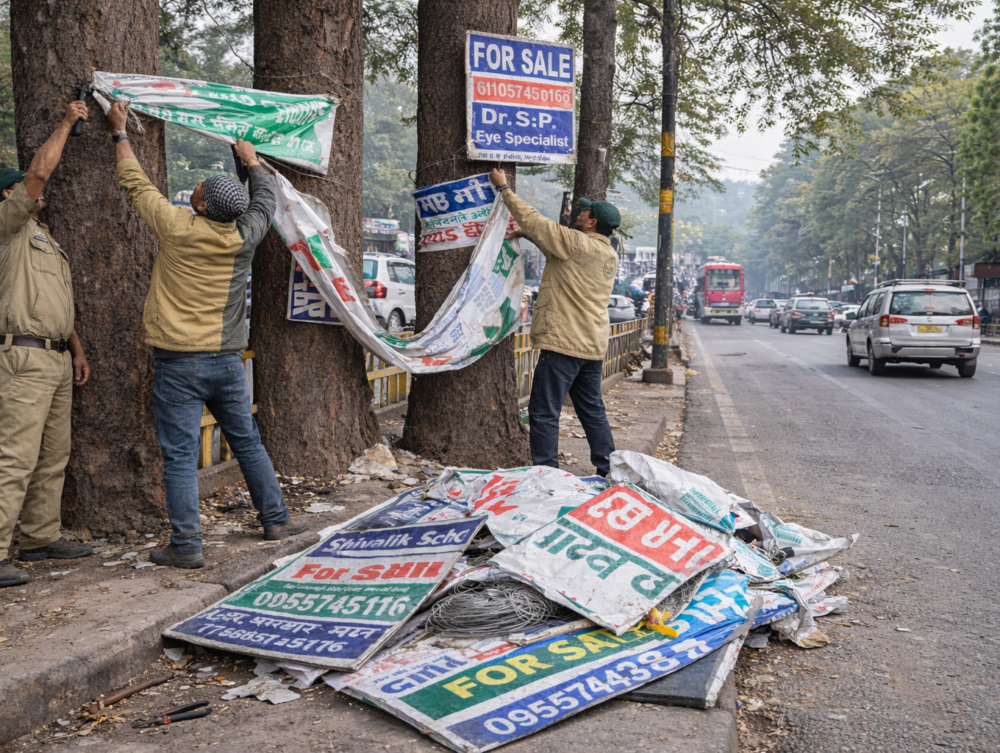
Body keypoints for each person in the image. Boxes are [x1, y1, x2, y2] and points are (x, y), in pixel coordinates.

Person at [105, 102, 306, 569]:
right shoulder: (244, 236)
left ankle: (187, 546)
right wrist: (252, 161)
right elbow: (264, 202)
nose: (191, 190)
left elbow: (135, 183)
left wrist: (120, 134)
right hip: (227, 362)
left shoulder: (176, 227)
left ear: (199, 205)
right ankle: (275, 519)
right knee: (248, 441)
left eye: (196, 189)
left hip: (177, 362)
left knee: (179, 457)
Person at [0, 102, 94, 588]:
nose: (34, 190)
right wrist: (65, 123)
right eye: (21, 187)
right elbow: (39, 170)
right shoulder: (6, 227)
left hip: (55, 356)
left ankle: (38, 537)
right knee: (14, 455)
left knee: (53, 454)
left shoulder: (42, 236)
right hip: (22, 355)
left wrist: (75, 347)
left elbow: (59, 300)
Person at [488, 168, 619, 476]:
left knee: (544, 412)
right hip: (592, 344)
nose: (578, 211)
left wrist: (504, 189)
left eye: (583, 210)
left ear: (592, 221)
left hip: (565, 342)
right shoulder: (605, 253)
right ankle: (610, 470)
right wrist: (527, 234)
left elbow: (537, 222)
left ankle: (546, 476)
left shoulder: (576, 243)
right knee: (592, 411)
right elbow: (558, 251)